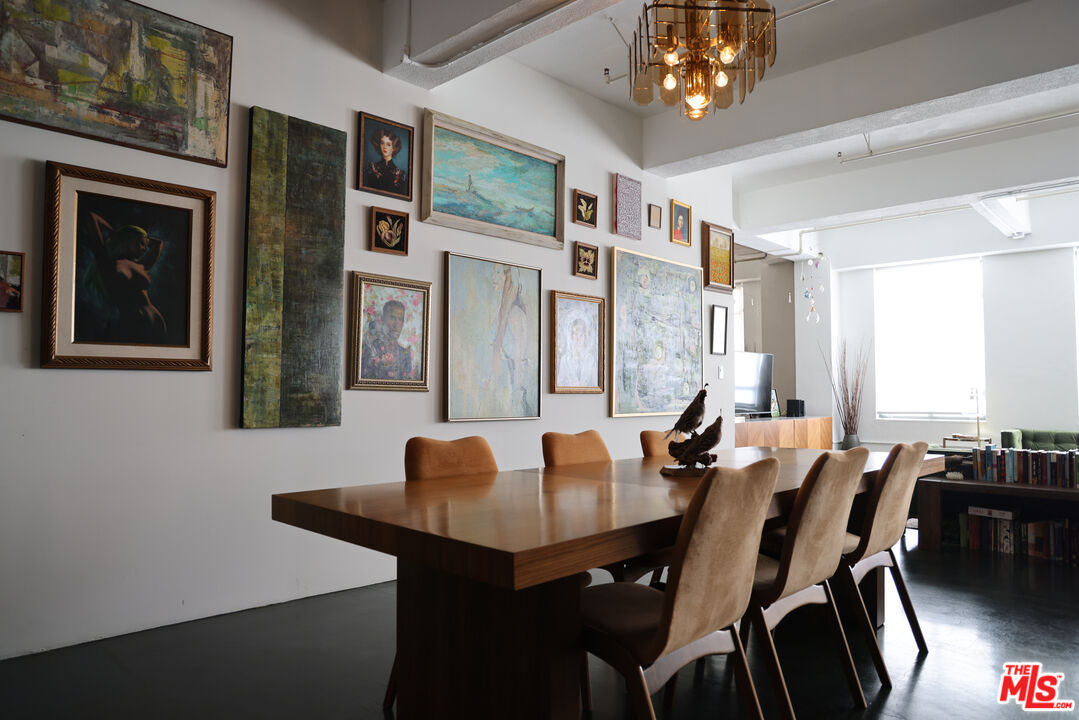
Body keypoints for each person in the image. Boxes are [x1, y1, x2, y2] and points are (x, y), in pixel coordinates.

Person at [83, 212, 167, 343]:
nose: (145, 248)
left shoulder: (141, 266)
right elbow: (92, 218)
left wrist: (142, 237)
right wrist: (115, 232)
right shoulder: (107, 262)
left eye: (145, 245)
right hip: (132, 325)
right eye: (141, 243)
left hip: (156, 323)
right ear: (128, 240)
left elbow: (158, 244)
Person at [361, 299, 414, 381]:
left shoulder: (405, 354)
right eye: (392, 318)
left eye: (400, 319)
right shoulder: (370, 348)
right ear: (382, 319)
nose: (396, 325)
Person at [363, 127, 409, 196]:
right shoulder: (372, 169)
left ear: (393, 148)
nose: (385, 147)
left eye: (388, 144)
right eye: (382, 143)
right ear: (379, 145)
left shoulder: (401, 175)